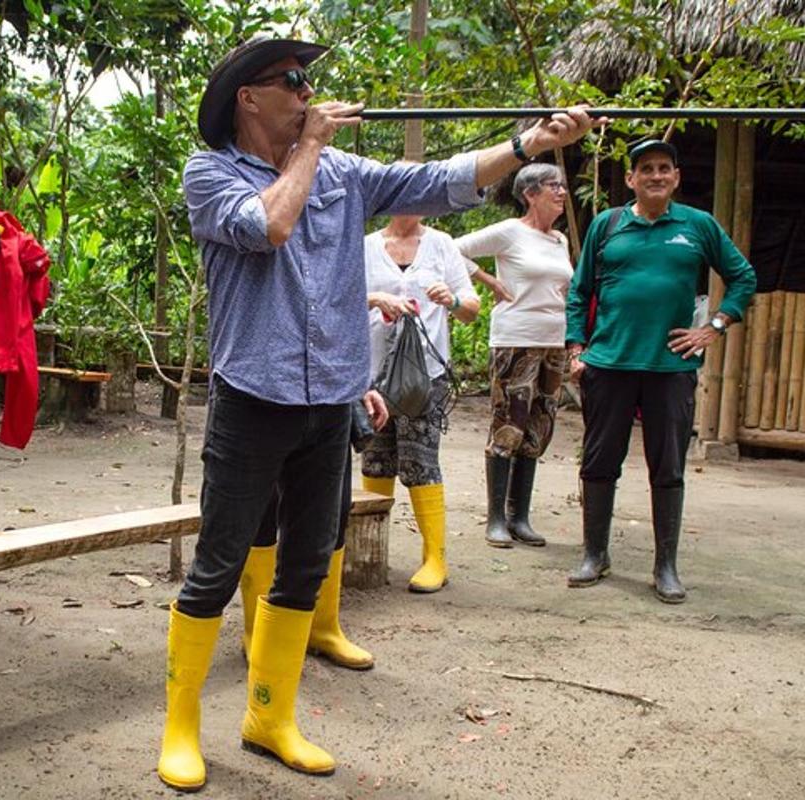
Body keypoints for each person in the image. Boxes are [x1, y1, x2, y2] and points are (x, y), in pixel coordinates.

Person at [157, 36, 600, 791]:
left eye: (309, 83)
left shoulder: (344, 173)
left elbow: (439, 181)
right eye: (291, 82)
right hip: (251, 400)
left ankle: (270, 716)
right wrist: (312, 146)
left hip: (329, 400)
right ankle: (181, 727)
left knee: (306, 561)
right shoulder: (212, 173)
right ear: (249, 98)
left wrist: (528, 142)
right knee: (219, 562)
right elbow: (269, 226)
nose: (307, 93)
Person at [564, 139, 756, 603]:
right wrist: (576, 348)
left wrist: (712, 327)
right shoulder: (607, 226)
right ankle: (595, 554)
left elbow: (743, 278)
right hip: (609, 363)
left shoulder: (698, 226)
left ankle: (665, 565)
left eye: (664, 168)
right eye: (645, 169)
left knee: (667, 465)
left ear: (676, 177)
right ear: (631, 179)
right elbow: (579, 289)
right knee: (598, 462)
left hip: (670, 366)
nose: (655, 175)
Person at [455, 163, 573, 549]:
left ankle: (520, 516)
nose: (561, 192)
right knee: (509, 422)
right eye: (552, 186)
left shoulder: (560, 241)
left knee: (539, 424)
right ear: (530, 193)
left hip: (552, 342)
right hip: (514, 340)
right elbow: (452, 249)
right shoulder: (510, 232)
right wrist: (488, 279)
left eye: (562, 186)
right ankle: (495, 519)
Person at [362, 214, 479, 593]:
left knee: (420, 459)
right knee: (375, 458)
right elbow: (338, 299)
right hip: (371, 372)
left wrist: (454, 299)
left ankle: (435, 558)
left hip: (424, 374)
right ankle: (371, 553)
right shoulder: (366, 246)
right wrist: (374, 298)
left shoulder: (442, 244)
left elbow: (471, 308)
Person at [238, 398, 388, 671]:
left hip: (330, 398)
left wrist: (360, 382)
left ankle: (322, 627)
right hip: (263, 393)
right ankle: (257, 628)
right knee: (262, 507)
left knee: (334, 509)